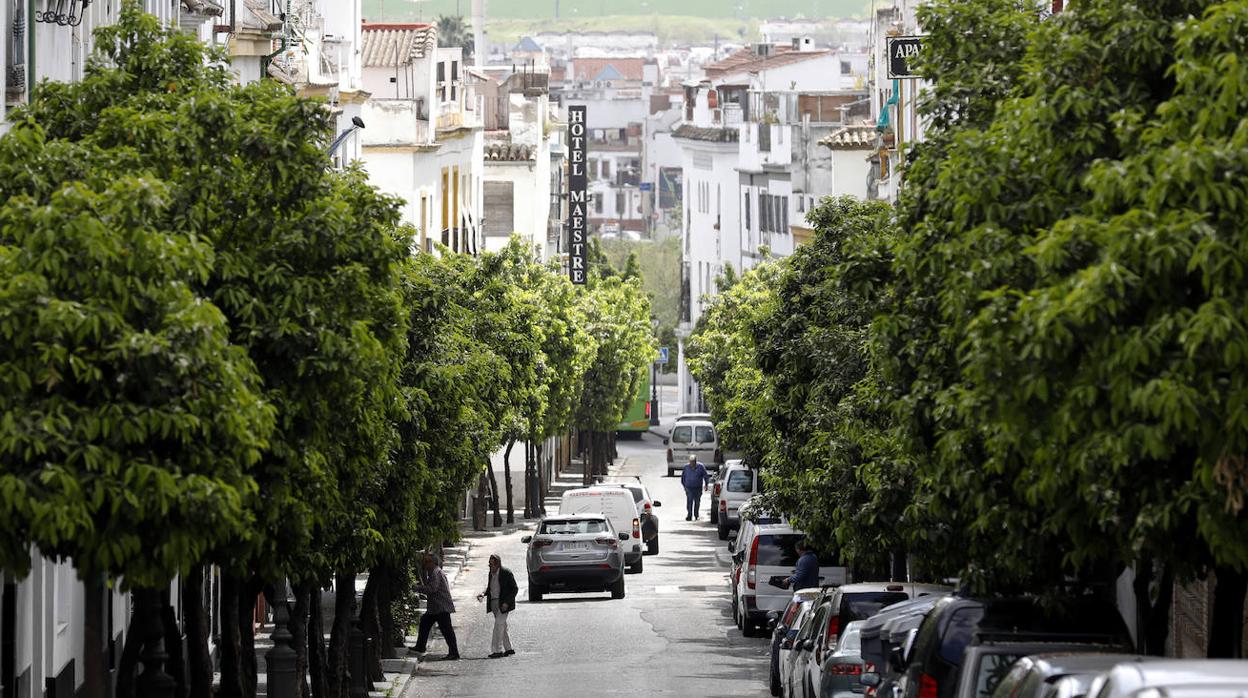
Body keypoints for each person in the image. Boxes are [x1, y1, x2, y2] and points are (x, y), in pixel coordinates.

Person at [411, 554, 460, 660]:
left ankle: (454, 652)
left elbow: (433, 588)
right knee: (424, 622)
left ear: (433, 562)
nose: (425, 564)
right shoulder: (433, 572)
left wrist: (419, 588)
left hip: (441, 607)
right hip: (435, 608)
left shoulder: (436, 573)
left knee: (446, 630)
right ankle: (420, 646)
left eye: (427, 562)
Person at [476, 554, 518, 658]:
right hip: (494, 603)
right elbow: (490, 587)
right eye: (489, 565)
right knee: (502, 626)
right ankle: (509, 649)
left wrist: (506, 603)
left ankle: (497, 650)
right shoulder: (491, 574)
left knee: (498, 626)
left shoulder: (506, 573)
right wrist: (483, 593)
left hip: (503, 604)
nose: (490, 567)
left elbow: (514, 589)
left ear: (498, 564)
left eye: (492, 565)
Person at [680, 454, 710, 520]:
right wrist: (684, 486)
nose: (692, 463)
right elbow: (683, 478)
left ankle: (696, 515)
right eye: (690, 461)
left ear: (695, 461)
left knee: (697, 502)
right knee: (689, 501)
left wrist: (706, 485)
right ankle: (689, 515)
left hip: (698, 487)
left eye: (693, 462)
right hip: (689, 487)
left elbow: (705, 476)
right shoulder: (686, 467)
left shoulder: (701, 467)